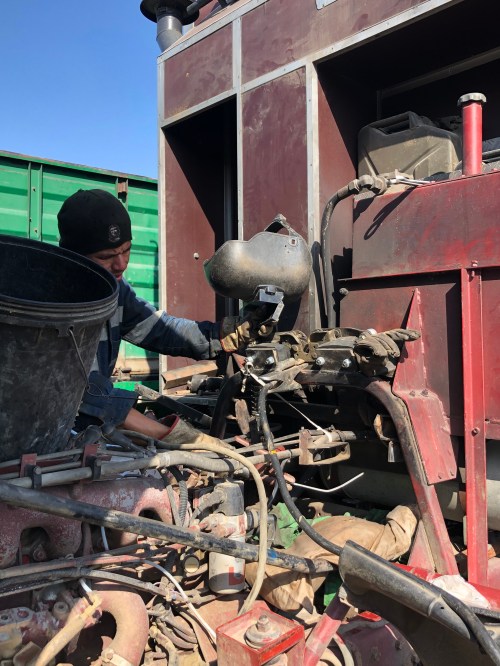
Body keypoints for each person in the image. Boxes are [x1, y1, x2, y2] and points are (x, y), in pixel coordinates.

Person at [57, 188, 270, 442]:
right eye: (106, 257)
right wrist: (173, 436)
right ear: (73, 257)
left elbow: (160, 329)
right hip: (50, 437)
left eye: (126, 250)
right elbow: (84, 392)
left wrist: (222, 335)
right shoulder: (56, 303)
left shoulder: (115, 291)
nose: (121, 264)